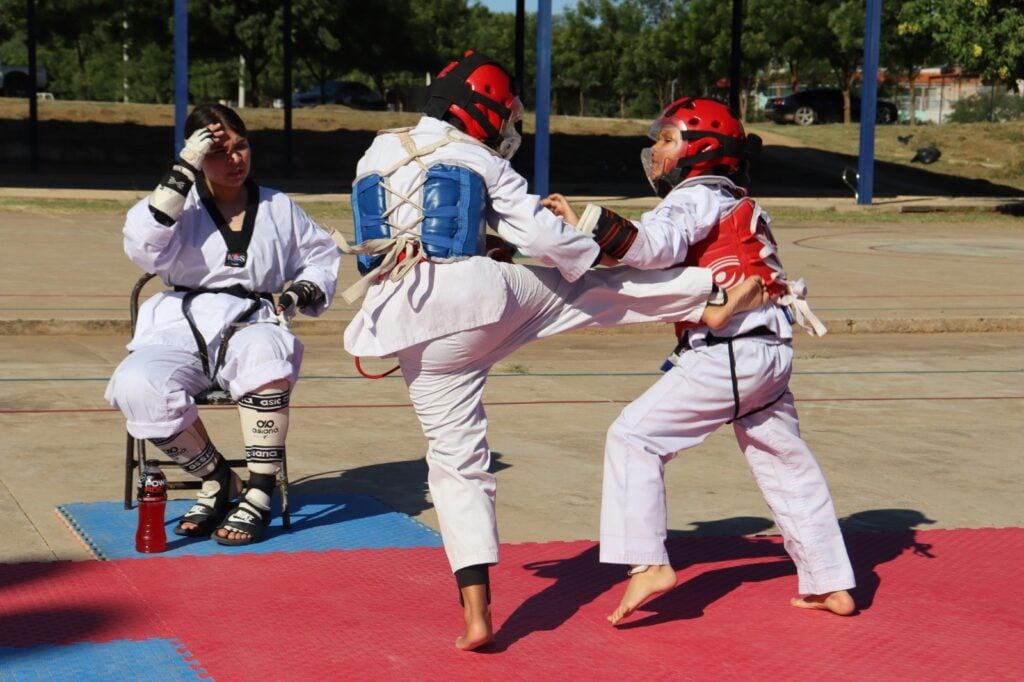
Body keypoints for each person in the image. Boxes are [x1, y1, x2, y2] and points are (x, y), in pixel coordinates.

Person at [338, 53, 769, 651]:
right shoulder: (478, 156)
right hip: (476, 298)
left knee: (455, 463)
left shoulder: (375, 151)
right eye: (506, 115)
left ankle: (476, 616)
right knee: (591, 290)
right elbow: (541, 237)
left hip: (399, 319)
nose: (506, 128)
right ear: (482, 110)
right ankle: (709, 298)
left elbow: (396, 228)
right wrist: (588, 250)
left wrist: (489, 245)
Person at [545, 97, 855, 624]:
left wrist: (591, 219)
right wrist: (584, 229)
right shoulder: (735, 200)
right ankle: (829, 581)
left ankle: (646, 563)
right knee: (787, 465)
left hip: (728, 351)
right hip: (771, 352)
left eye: (667, 139)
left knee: (633, 437)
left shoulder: (696, 195)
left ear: (701, 149)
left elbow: (654, 247)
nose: (655, 150)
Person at [105, 103, 340, 546]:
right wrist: (183, 170)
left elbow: (320, 257)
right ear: (195, 154)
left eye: (242, 146)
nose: (235, 159)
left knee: (268, 353)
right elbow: (143, 246)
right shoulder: (180, 205)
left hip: (251, 322)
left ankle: (260, 492)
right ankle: (218, 478)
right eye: (219, 151)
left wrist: (299, 292)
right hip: (179, 328)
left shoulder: (278, 206)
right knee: (135, 384)